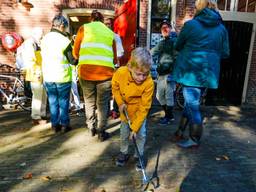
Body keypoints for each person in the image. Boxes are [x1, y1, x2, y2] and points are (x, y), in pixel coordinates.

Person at [172, 0, 230, 148]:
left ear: (198, 8)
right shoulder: (222, 28)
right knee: (191, 104)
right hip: (207, 75)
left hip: (190, 71)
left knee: (192, 106)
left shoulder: (191, 25)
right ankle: (180, 131)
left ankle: (194, 138)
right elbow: (225, 53)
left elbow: (177, 45)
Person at [72, 10, 117, 142]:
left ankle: (91, 127)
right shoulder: (110, 33)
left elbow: (75, 52)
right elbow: (114, 59)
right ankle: (101, 131)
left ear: (91, 19)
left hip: (86, 72)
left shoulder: (83, 28)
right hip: (106, 73)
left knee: (89, 101)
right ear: (102, 20)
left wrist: (83, 59)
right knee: (103, 104)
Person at [112, 47, 154, 170]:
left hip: (139, 112)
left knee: (140, 135)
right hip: (125, 111)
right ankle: (124, 152)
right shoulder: (121, 73)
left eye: (145, 74)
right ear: (130, 67)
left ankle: (139, 154)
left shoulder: (149, 83)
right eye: (138, 74)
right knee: (124, 133)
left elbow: (144, 107)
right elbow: (115, 87)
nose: (141, 78)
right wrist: (120, 103)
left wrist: (135, 128)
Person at [41, 15, 73, 133]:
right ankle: (64, 124)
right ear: (61, 26)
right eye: (65, 27)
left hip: (48, 75)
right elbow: (72, 60)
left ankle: (55, 125)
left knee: (52, 102)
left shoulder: (44, 39)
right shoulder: (64, 40)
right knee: (63, 102)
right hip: (62, 76)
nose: (65, 30)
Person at [19, 27, 47, 125]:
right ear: (36, 34)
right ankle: (36, 117)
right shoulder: (30, 43)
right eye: (41, 33)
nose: (42, 35)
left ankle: (42, 114)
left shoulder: (37, 42)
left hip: (40, 72)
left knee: (43, 94)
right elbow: (30, 60)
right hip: (35, 73)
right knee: (37, 96)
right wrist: (37, 72)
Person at [151, 20, 177, 125]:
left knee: (169, 96)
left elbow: (177, 57)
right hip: (161, 74)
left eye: (166, 27)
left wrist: (174, 72)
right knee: (159, 96)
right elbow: (152, 52)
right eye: (162, 28)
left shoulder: (175, 41)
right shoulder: (162, 43)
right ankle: (169, 116)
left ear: (170, 29)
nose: (164, 29)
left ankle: (168, 117)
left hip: (170, 74)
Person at [104, 17, 125, 119]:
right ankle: (107, 111)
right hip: (104, 69)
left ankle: (115, 110)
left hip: (114, 68)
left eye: (109, 24)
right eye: (106, 24)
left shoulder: (116, 37)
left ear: (112, 26)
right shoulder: (101, 37)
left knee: (116, 89)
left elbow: (121, 53)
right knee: (105, 90)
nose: (107, 26)